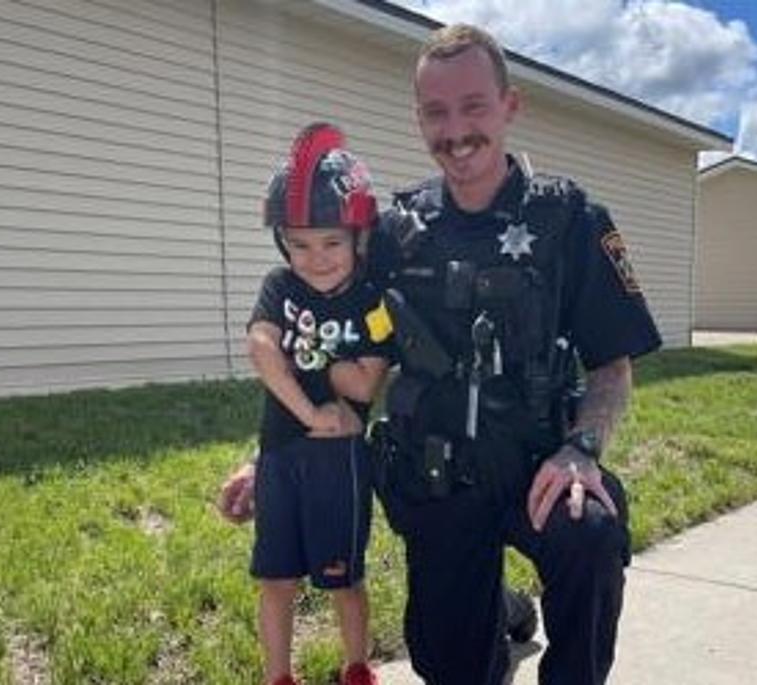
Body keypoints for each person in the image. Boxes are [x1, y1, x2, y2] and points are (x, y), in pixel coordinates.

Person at [222, 24, 661, 685]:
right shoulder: (396, 232)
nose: (456, 130)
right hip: (437, 478)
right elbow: (337, 356)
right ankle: (502, 612)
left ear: (509, 106)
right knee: (452, 664)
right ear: (418, 119)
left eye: (473, 106)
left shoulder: (567, 220)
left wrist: (582, 449)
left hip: (537, 463)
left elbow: (611, 364)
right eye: (436, 111)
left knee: (589, 532)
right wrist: (274, 450)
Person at [243, 122, 394, 685]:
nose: (316, 258)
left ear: (359, 237)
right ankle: (277, 676)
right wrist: (311, 411)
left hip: (341, 464)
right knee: (275, 578)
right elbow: (261, 348)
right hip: (282, 453)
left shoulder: (372, 300)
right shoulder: (279, 287)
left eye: (332, 242)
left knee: (342, 577)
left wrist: (313, 361)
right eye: (300, 244)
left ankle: (357, 668)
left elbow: (364, 385)